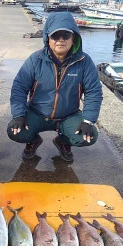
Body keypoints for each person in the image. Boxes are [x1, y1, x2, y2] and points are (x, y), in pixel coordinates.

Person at [7, 12, 103, 162]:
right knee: (15, 131)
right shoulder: (35, 59)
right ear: (48, 39)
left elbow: (94, 92)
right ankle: (32, 140)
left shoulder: (85, 61)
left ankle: (62, 141)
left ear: (73, 38)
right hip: (37, 113)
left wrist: (88, 120)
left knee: (89, 137)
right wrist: (19, 115)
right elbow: (19, 87)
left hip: (68, 115)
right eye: (55, 36)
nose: (60, 40)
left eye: (65, 35)